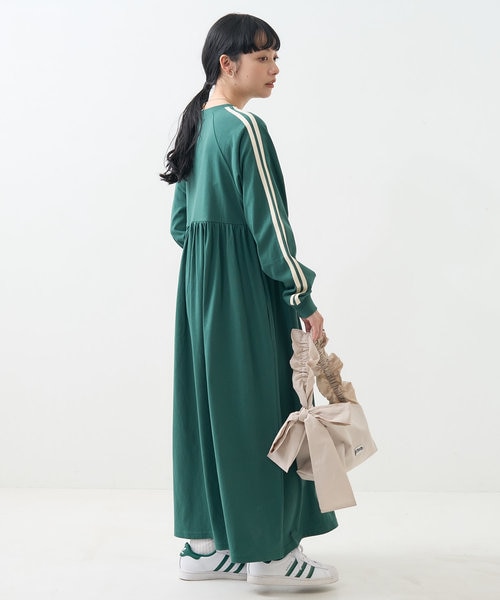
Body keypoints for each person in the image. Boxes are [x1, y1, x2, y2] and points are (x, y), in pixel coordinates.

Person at [160, 13, 339, 586]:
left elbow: (182, 226)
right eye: (263, 57)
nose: (274, 68)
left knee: (209, 411)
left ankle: (205, 549)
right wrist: (301, 295)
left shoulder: (196, 126)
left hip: (199, 295)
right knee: (261, 408)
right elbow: (271, 230)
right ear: (227, 64)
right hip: (244, 290)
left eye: (275, 56)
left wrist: (212, 267)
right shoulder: (245, 129)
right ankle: (270, 557)